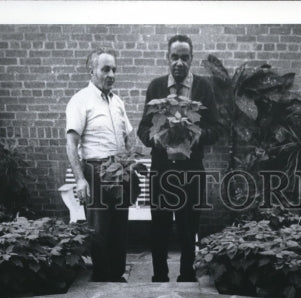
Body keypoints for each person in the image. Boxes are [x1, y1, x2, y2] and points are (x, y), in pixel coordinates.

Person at [137, 34, 218, 283]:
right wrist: (156, 140)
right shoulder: (156, 87)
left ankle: (187, 275)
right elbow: (143, 129)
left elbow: (216, 128)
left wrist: (198, 136)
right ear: (167, 58)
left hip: (191, 169)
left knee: (188, 228)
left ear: (191, 58)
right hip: (162, 169)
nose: (179, 62)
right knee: (159, 226)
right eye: (175, 57)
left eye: (185, 57)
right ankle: (159, 276)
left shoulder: (203, 87)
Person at [66, 48, 135, 282]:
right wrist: (80, 179)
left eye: (114, 69)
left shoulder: (117, 102)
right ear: (92, 70)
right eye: (105, 69)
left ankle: (117, 275)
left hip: (119, 172)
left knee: (119, 227)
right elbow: (71, 142)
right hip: (95, 172)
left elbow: (129, 134)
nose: (111, 74)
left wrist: (128, 163)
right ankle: (103, 279)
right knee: (100, 230)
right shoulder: (80, 100)